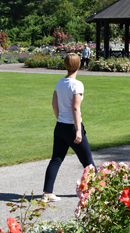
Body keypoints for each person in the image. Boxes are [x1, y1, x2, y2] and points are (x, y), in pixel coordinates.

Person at [42, 53, 95, 202]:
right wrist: (78, 130)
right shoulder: (77, 84)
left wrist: (60, 118)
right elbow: (75, 109)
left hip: (60, 126)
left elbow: (54, 104)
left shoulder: (59, 83)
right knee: (88, 162)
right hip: (72, 128)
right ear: (79, 65)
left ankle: (47, 193)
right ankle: (97, 189)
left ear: (66, 65)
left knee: (56, 159)